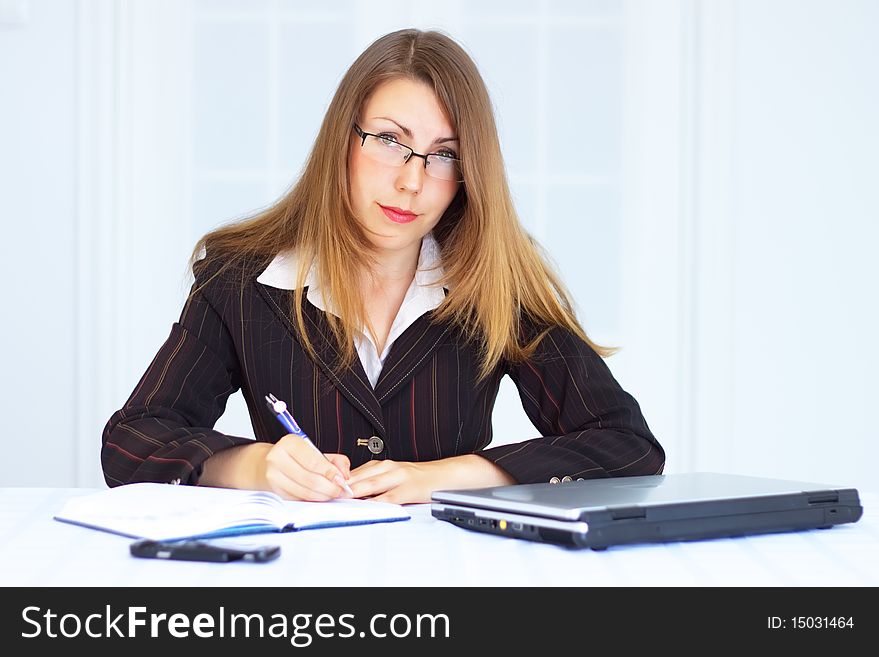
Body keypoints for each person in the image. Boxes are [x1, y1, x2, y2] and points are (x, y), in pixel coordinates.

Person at [102, 28, 665, 504]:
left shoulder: (494, 285)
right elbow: (130, 441)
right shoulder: (241, 281)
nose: (412, 181)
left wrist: (451, 475)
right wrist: (255, 466)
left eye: (444, 154)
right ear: (341, 141)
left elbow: (629, 445)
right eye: (390, 140)